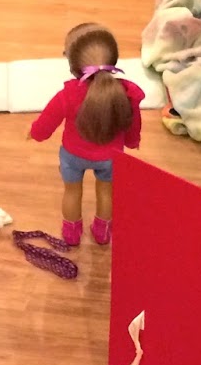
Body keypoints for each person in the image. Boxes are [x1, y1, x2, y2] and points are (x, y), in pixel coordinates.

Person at [29, 23, 144, 246]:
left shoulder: (67, 94)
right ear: (114, 61)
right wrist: (132, 142)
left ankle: (71, 235)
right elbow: (132, 124)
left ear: (72, 66)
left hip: (73, 156)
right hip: (110, 157)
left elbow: (46, 122)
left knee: (72, 192)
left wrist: (35, 134)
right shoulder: (125, 92)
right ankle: (102, 233)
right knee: (106, 192)